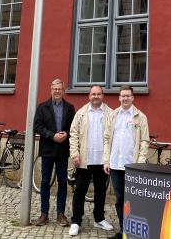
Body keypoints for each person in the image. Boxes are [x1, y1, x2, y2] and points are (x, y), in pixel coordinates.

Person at [103, 85, 149, 239]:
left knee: (133, 200)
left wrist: (140, 163)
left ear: (133, 97)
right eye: (122, 96)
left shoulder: (140, 117)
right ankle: (124, 230)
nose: (125, 98)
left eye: (128, 96)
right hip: (115, 164)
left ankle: (134, 231)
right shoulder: (113, 115)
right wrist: (106, 160)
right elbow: (107, 139)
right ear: (119, 97)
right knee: (120, 199)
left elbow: (144, 141)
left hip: (132, 166)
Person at [68, 85, 113, 237]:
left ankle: (99, 218)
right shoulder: (81, 113)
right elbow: (73, 134)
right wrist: (75, 154)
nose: (96, 96)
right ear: (89, 96)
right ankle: (76, 221)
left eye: (98, 94)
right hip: (84, 160)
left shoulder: (110, 114)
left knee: (101, 191)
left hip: (102, 160)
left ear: (102, 96)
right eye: (93, 94)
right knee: (80, 191)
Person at [34, 79, 75, 226]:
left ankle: (60, 214)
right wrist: (52, 135)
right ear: (51, 90)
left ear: (63, 90)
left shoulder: (70, 108)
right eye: (55, 89)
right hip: (47, 150)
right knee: (45, 181)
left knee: (63, 182)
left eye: (59, 89)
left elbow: (73, 127)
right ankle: (44, 214)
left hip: (63, 150)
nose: (57, 91)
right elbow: (37, 126)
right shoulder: (42, 107)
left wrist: (66, 134)